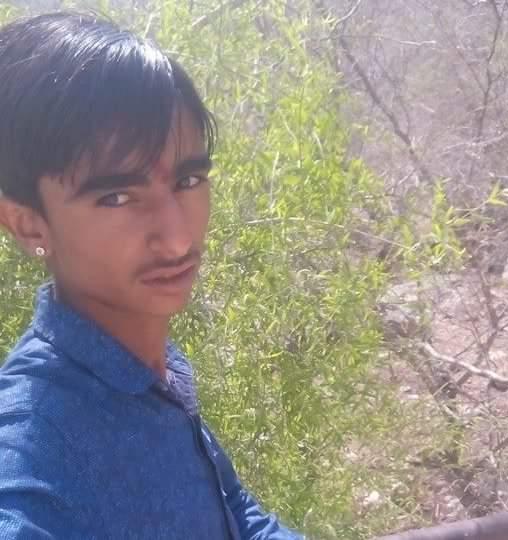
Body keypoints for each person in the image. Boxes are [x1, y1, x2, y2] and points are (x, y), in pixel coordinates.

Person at [0, 11, 304, 539]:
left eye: (188, 180)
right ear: (28, 223)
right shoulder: (37, 441)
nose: (179, 239)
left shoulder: (152, 367)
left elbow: (235, 515)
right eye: (117, 197)